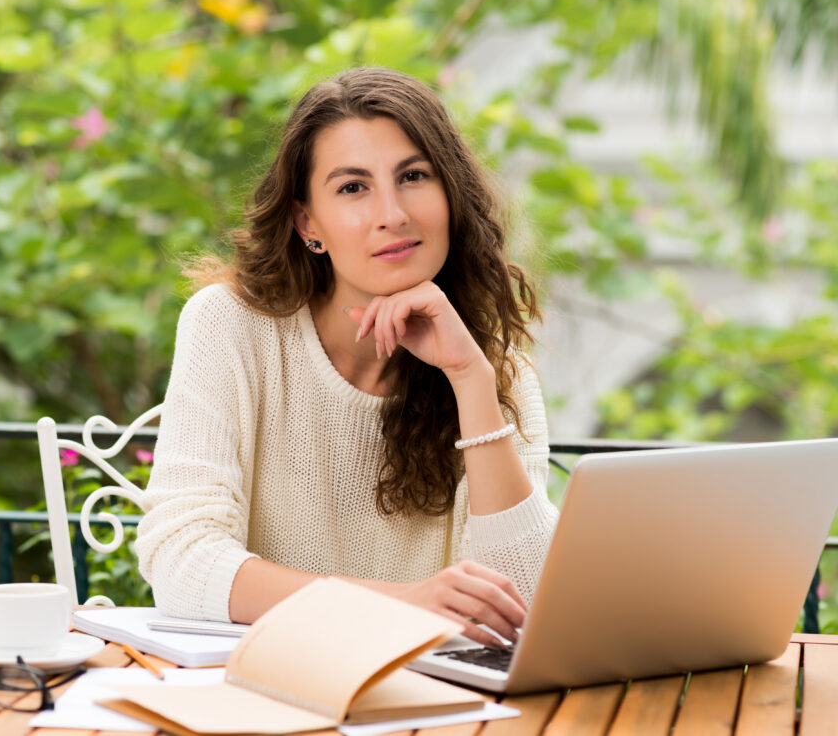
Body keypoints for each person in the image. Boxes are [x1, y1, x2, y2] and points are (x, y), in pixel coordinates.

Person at [136, 67, 560, 648]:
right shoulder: (230, 326)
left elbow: (522, 604)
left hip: (438, 694)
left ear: (451, 195)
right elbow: (182, 564)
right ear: (309, 223)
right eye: (353, 187)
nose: (393, 214)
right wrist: (400, 605)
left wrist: (470, 381)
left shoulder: (494, 371)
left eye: (413, 176)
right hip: (271, 681)